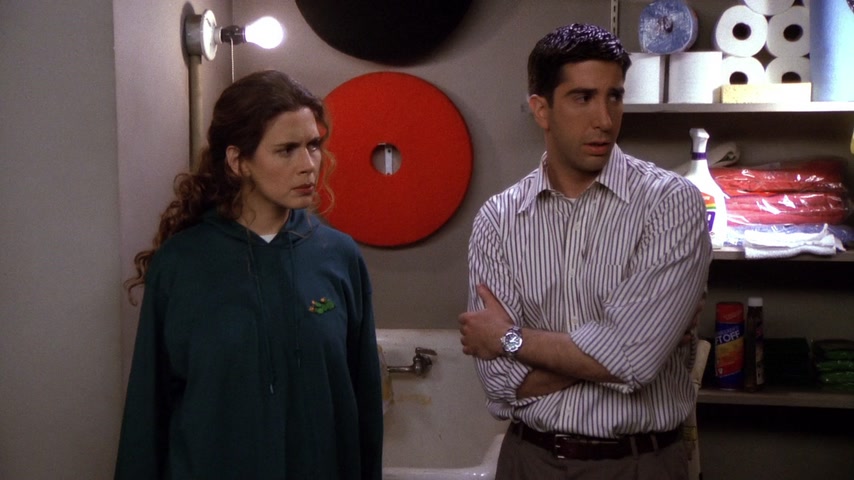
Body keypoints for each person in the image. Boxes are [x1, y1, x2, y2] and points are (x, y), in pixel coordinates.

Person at [458, 24, 711, 480]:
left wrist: (510, 339)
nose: (605, 119)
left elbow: (635, 358)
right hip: (528, 461)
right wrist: (621, 349)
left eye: (614, 96)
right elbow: (499, 382)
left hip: (637, 464)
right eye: (583, 98)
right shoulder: (499, 219)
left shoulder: (671, 203)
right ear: (542, 109)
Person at [115, 70, 383, 480]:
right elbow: (147, 412)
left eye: (313, 145)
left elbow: (364, 405)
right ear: (238, 161)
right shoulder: (181, 264)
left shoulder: (340, 257)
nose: (308, 165)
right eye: (286, 150)